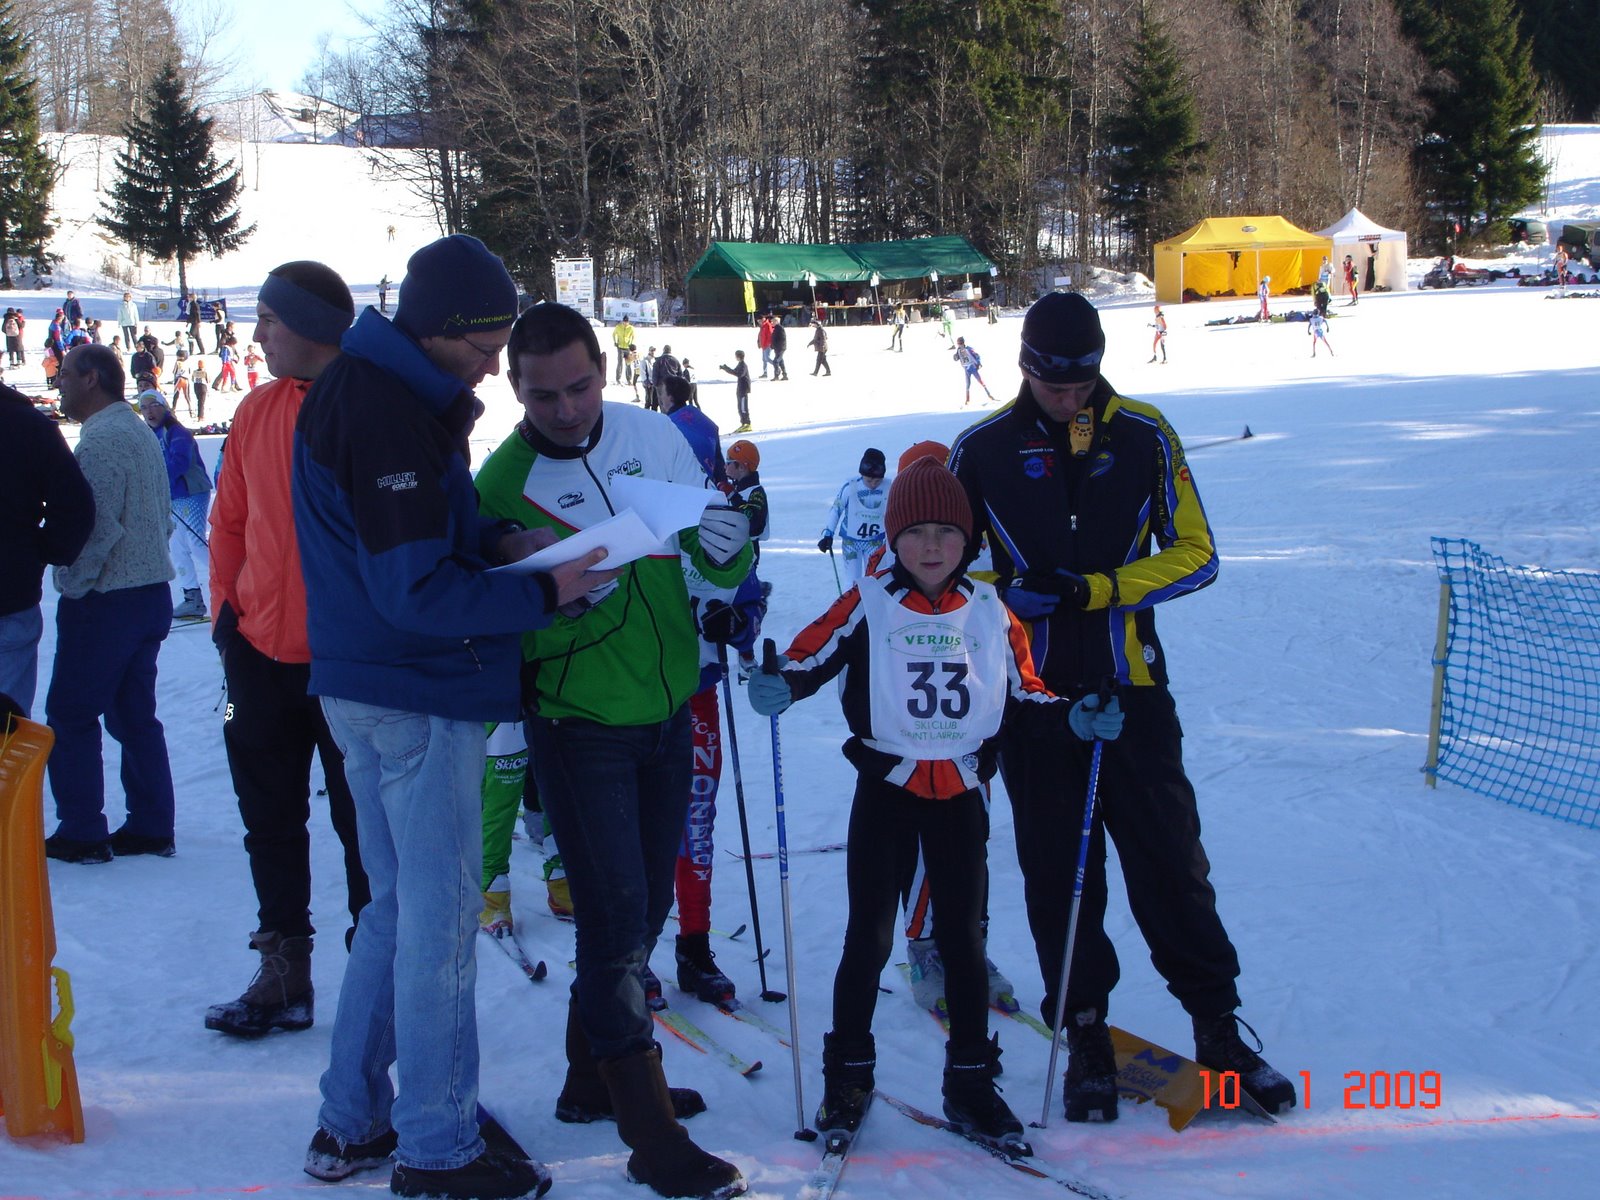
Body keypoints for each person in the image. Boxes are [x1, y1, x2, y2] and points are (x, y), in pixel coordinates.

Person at [293, 235, 609, 1199]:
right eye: (483, 350)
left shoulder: (379, 391)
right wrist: (542, 591)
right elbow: (413, 591)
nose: (489, 368)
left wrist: (495, 538)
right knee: (437, 926)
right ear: (436, 330)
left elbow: (421, 532)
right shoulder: (386, 412)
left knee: (395, 912)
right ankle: (438, 1147)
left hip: (366, 687)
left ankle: (352, 1119)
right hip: (413, 698)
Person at [947, 291, 1296, 1122]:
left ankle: (1217, 1028)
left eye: (1081, 383)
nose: (1067, 397)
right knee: (1060, 879)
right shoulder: (982, 449)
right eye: (1053, 385)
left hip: (1131, 690)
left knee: (1172, 866)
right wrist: (1007, 590)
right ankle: (1087, 1034)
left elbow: (1198, 555)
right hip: (1033, 702)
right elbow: (940, 569)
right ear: (1025, 369)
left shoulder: (1143, 434)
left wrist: (1098, 589)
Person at [473, 301, 751, 1200]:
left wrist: (730, 551)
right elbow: (495, 629)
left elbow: (711, 564)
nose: (566, 409)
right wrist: (558, 607)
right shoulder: (500, 484)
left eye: (581, 387)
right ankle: (649, 1134)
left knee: (645, 909)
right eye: (543, 395)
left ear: (605, 371)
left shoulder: (652, 437)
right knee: (615, 920)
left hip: (669, 706)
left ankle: (590, 1081)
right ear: (515, 389)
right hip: (578, 723)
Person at [748, 456, 1096, 1148]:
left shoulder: (990, 610)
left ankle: (970, 1080)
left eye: (946, 532)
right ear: (893, 537)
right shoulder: (869, 601)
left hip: (961, 793)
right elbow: (810, 655)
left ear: (968, 540)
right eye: (914, 533)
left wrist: (1074, 716)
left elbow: (1026, 694)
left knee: (963, 941)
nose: (931, 547)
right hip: (887, 790)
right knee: (869, 938)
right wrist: (781, 682)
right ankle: (848, 1075)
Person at [204, 261, 371, 1041]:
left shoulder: (370, 405)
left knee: (365, 828)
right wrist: (226, 618)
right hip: (257, 659)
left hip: (347, 667)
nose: (258, 333)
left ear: (309, 326)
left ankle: (377, 974)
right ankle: (283, 971)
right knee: (267, 817)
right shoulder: (255, 410)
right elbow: (228, 522)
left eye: (269, 318)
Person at [43, 343, 178, 865]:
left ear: (92, 379)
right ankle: (151, 825)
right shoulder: (137, 431)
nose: (59, 384)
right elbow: (161, 517)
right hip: (149, 593)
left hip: (108, 600)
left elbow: (94, 528)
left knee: (71, 713)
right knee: (134, 715)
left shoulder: (101, 441)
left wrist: (71, 582)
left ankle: (82, 831)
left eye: (65, 375)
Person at [0, 380, 93, 718]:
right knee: (7, 736)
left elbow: (74, 507)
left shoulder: (26, 423)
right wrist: (38, 551)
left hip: (10, 598)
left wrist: (39, 551)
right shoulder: (27, 423)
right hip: (11, 594)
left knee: (8, 733)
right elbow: (75, 507)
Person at [139, 391, 211, 620]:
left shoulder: (177, 432)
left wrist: (157, 483)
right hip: (172, 497)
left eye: (153, 405)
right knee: (177, 546)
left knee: (196, 542)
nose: (149, 411)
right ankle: (192, 598)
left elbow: (179, 462)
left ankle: (235, 585)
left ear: (164, 407)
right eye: (144, 407)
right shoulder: (149, 434)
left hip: (191, 492)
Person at [818, 448, 889, 584]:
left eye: (877, 481)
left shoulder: (889, 488)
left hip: (875, 542)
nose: (873, 484)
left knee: (873, 580)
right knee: (852, 581)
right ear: (862, 475)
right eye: (869, 480)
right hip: (851, 542)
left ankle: (870, 598)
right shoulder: (851, 487)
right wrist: (828, 534)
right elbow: (836, 509)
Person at [953, 336, 995, 405]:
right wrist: (955, 357)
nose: (959, 345)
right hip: (966, 369)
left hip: (972, 367)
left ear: (963, 343)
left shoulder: (969, 349)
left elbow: (977, 356)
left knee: (980, 381)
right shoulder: (958, 350)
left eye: (960, 344)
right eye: (958, 344)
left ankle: (989, 395)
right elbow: (957, 358)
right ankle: (967, 400)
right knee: (968, 384)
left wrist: (979, 363)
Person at [719, 349, 751, 432]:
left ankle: (747, 424)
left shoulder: (743, 365)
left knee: (743, 408)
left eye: (736, 356)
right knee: (740, 407)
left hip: (744, 389)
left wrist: (726, 369)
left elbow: (739, 374)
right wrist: (725, 368)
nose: (735, 357)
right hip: (740, 389)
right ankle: (743, 424)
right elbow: (734, 371)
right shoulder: (740, 364)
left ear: (738, 356)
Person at [613, 314, 636, 382]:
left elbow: (633, 336)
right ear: (622, 321)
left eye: (627, 322)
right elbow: (614, 334)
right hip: (620, 348)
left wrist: (631, 343)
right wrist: (615, 342)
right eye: (624, 322)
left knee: (628, 364)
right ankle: (618, 378)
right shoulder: (618, 327)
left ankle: (629, 379)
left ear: (628, 322)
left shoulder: (631, 328)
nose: (625, 323)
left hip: (627, 348)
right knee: (620, 363)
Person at [641, 344, 659, 411]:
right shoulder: (645, 360)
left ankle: (653, 413)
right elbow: (642, 372)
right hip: (648, 383)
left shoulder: (655, 360)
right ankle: (646, 412)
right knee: (648, 400)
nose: (653, 352)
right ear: (649, 351)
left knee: (654, 401)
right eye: (652, 350)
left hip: (654, 383)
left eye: (654, 350)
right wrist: (646, 381)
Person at [756, 313, 774, 378]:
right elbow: (760, 335)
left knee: (767, 358)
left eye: (759, 320)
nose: (759, 322)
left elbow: (770, 335)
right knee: (764, 359)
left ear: (763, 319)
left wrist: (768, 344)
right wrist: (759, 342)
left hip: (767, 345)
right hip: (763, 345)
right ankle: (765, 373)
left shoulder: (767, 325)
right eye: (758, 321)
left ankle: (777, 367)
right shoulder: (762, 326)